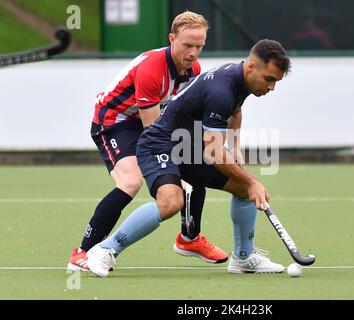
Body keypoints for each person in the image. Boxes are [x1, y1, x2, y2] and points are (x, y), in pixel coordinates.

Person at [86, 39, 291, 277]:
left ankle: (244, 257)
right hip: (158, 143)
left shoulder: (240, 79)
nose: (272, 87)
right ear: (252, 67)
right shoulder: (221, 90)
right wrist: (251, 181)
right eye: (270, 79)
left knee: (244, 189)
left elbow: (235, 111)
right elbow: (213, 151)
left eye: (276, 81)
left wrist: (234, 149)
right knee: (171, 202)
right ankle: (105, 249)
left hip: (188, 148)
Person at [67, 11, 228, 272]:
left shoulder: (193, 69)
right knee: (130, 182)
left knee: (191, 161)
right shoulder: (153, 70)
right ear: (171, 39)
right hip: (114, 123)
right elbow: (152, 131)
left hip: (148, 121)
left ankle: (190, 239)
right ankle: (83, 252)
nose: (193, 53)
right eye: (187, 45)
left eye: (199, 46)